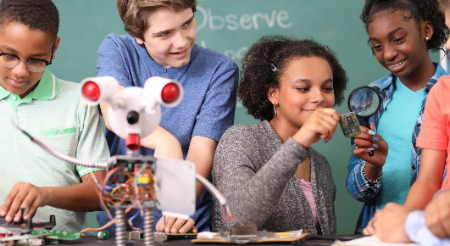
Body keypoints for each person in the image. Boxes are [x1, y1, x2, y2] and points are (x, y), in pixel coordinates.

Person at [96, 0, 238, 234]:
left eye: (187, 23)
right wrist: (166, 143)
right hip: (121, 221)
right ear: (139, 36)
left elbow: (202, 153)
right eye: (164, 34)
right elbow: (115, 112)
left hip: (186, 218)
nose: (181, 41)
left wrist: (177, 211)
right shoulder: (118, 50)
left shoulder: (220, 70)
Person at [212, 36, 348, 235]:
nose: (319, 97)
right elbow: (235, 222)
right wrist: (298, 143)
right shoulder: (241, 140)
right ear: (273, 94)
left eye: (327, 88)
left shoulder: (320, 165)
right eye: (303, 88)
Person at [0, 0, 110, 232]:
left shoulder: (79, 102)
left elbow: (101, 192)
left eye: (36, 59)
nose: (21, 71)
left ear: (54, 48)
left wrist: (46, 194)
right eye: (9, 56)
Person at [346, 0, 448, 234]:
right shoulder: (366, 100)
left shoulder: (445, 94)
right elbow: (356, 191)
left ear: (427, 30)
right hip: (379, 232)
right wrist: (372, 167)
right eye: (377, 46)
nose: (389, 54)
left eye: (398, 39)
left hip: (433, 231)